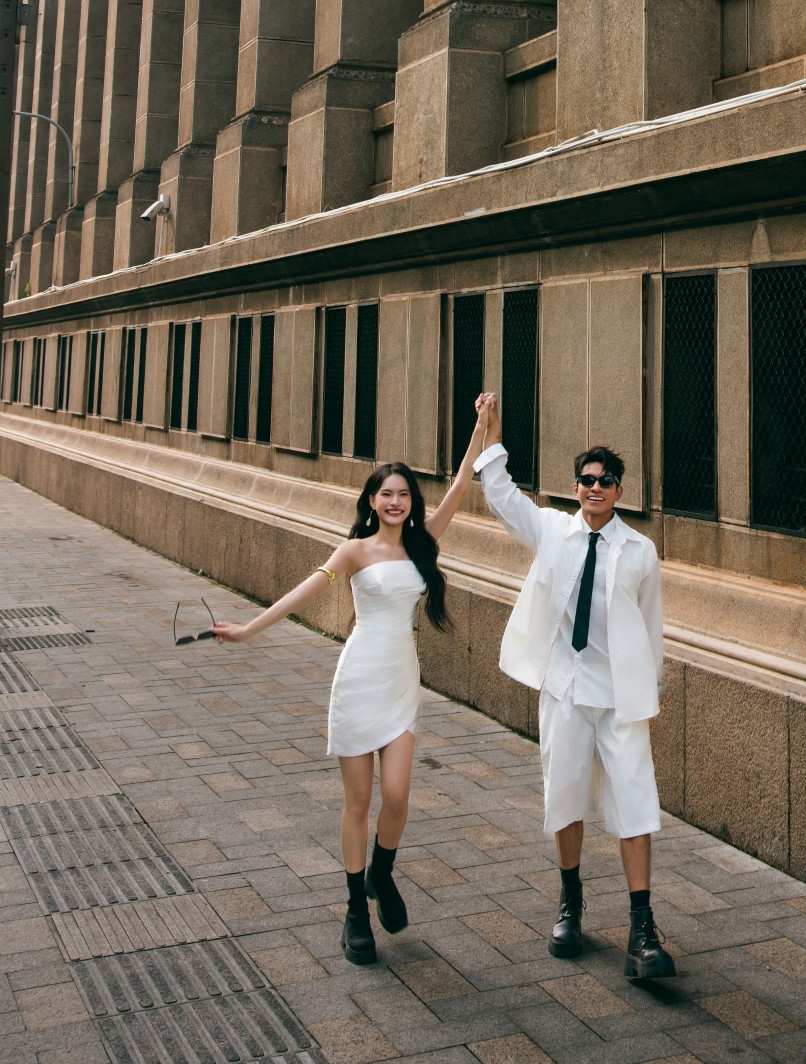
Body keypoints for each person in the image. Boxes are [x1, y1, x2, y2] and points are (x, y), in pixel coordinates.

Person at [213, 413, 490, 964]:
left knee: (398, 796)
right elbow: (302, 593)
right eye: (386, 494)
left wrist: (482, 425)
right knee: (359, 801)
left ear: (412, 502)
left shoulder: (423, 543)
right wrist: (247, 630)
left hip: (400, 682)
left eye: (404, 494)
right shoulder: (354, 552)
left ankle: (381, 875)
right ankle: (355, 911)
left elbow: (461, 485)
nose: (395, 502)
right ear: (371, 501)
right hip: (359, 680)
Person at [472, 392, 675, 981]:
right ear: (576, 486)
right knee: (563, 798)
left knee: (635, 805)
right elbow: (501, 494)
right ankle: (570, 902)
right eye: (587, 480)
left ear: (619, 491)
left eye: (606, 481)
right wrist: (492, 433)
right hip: (565, 691)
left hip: (619, 700)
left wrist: (648, 689)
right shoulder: (553, 532)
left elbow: (651, 628)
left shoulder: (639, 552)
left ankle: (643, 928)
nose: (595, 488)